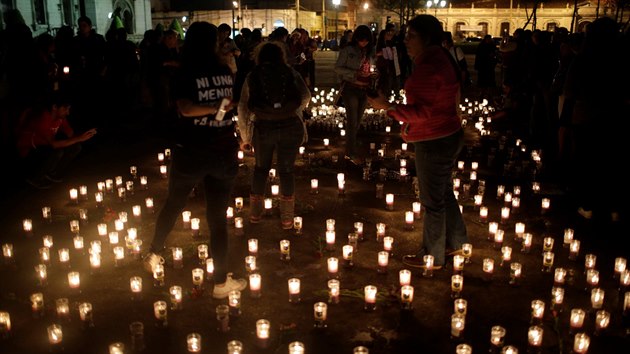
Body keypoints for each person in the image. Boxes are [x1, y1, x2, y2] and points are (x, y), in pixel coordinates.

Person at [142, 21, 246, 299]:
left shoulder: (184, 72)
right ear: (212, 43)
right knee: (217, 220)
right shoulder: (223, 71)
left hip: (191, 150)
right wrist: (218, 110)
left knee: (174, 203)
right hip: (221, 150)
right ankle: (221, 283)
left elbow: (186, 109)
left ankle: (153, 253)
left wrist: (216, 110)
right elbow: (216, 110)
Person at [368, 15, 468, 269]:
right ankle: (457, 243)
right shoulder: (441, 58)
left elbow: (422, 112)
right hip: (448, 133)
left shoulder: (429, 66)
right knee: (443, 191)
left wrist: (387, 107)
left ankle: (432, 256)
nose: (406, 40)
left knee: (433, 200)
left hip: (433, 139)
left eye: (411, 36)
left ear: (427, 38)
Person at [237, 41, 311, 229]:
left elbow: (243, 107)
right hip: (290, 127)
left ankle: (255, 214)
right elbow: (305, 96)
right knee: (286, 170)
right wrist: (293, 111)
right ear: (281, 56)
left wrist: (245, 137)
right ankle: (287, 218)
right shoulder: (290, 72)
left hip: (264, 128)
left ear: (259, 57)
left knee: (261, 169)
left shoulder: (253, 75)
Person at [15, 91, 97, 189]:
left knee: (76, 147)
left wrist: (86, 134)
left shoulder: (60, 118)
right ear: (54, 107)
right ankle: (35, 177)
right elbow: (54, 144)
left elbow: (71, 135)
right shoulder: (44, 118)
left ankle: (53, 173)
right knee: (58, 152)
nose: (68, 112)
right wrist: (79, 138)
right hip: (28, 152)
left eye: (68, 109)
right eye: (65, 109)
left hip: (43, 147)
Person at [334, 25, 377, 162]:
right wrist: (354, 73)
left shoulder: (370, 51)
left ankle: (351, 146)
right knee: (352, 121)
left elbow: (373, 67)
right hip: (351, 88)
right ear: (356, 38)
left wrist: (375, 74)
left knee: (357, 121)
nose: (364, 43)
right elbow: (337, 68)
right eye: (361, 40)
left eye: (366, 40)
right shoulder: (348, 50)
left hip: (365, 90)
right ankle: (350, 152)